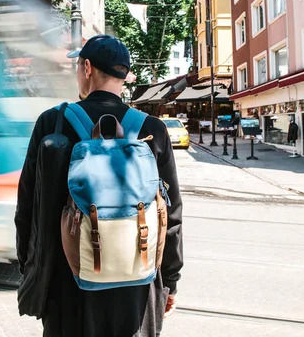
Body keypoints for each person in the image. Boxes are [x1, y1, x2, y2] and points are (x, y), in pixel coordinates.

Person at [15, 35, 184, 337]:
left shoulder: (52, 123)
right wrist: (169, 280)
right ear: (125, 76)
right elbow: (171, 213)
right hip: (138, 282)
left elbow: (28, 207)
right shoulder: (152, 129)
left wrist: (31, 271)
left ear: (87, 68)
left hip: (68, 284)